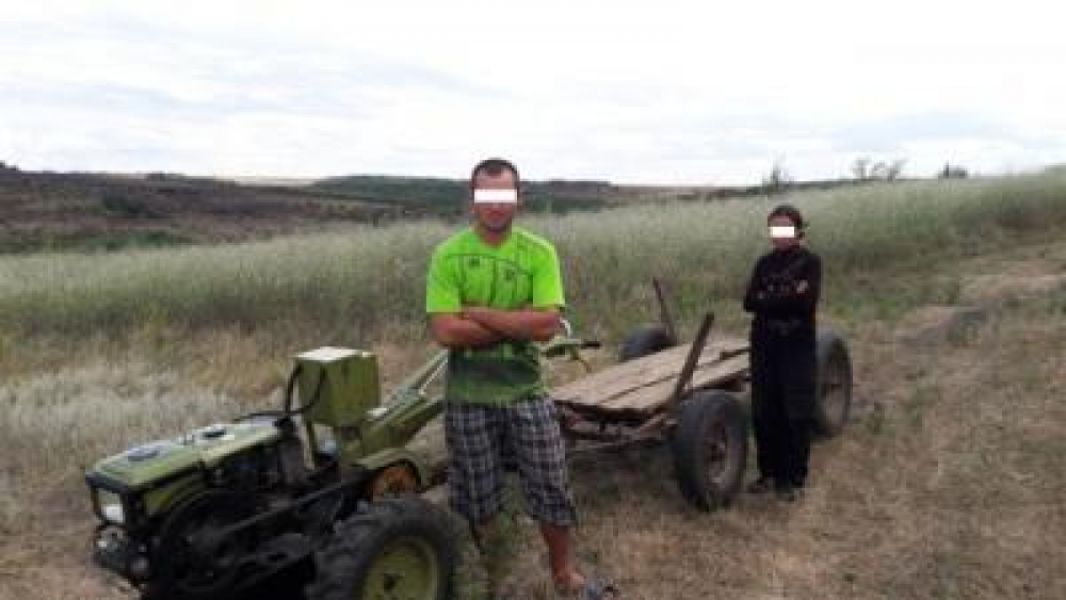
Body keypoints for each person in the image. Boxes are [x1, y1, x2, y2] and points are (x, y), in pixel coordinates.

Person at [426, 158, 614, 599]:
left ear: (518, 198)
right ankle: (494, 572)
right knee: (478, 496)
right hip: (468, 396)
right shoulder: (448, 254)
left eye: (504, 195)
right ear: (472, 198)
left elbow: (547, 326)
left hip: (526, 392)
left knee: (551, 484)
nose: (496, 205)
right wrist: (517, 321)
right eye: (486, 195)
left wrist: (478, 313)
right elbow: (446, 333)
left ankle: (564, 574)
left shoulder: (539, 252)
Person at [742, 204, 822, 502]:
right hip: (764, 344)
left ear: (797, 230)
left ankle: (792, 478)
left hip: (796, 346)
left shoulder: (810, 263)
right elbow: (749, 302)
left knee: (795, 411)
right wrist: (787, 293)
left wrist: (769, 296)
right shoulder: (763, 263)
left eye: (785, 227)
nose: (779, 234)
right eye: (774, 228)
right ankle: (768, 473)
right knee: (764, 410)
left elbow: (805, 303)